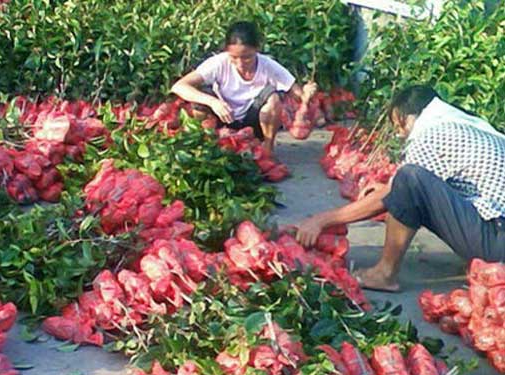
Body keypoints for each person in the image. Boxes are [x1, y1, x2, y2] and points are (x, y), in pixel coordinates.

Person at [295, 84, 505, 292]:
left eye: (399, 126)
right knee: (406, 183)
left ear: (407, 117)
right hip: (497, 231)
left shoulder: (431, 133)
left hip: (497, 239)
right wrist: (389, 190)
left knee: (409, 178)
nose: (400, 135)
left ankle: (385, 274)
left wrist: (321, 220)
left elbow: (408, 185)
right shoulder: (470, 126)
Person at [171, 21, 317, 152]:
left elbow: (297, 94)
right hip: (224, 118)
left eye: (247, 57)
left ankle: (268, 148)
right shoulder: (218, 63)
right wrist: (213, 102)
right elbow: (179, 86)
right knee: (199, 100)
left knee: (273, 98)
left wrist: (307, 94)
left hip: (254, 122)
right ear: (226, 51)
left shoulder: (268, 65)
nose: (240, 64)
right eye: (234, 57)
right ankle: (208, 146)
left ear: (257, 49)